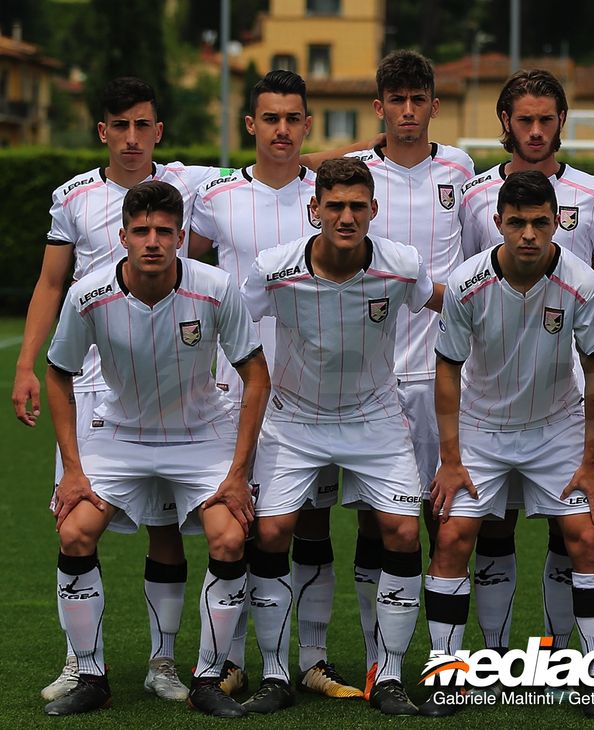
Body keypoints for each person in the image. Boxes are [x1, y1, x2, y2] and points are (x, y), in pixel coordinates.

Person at [12, 76, 222, 704]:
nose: (132, 138)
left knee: (164, 528)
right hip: (94, 389)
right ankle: (83, 663)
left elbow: (273, 164)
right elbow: (51, 285)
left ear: (159, 130)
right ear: (102, 131)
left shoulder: (190, 183)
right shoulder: (73, 197)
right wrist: (28, 365)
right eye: (119, 126)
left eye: (143, 126)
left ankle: (164, 663)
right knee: (75, 525)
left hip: (174, 387)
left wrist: (364, 153)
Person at [43, 180, 269, 717]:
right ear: (122, 235)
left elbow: (255, 376)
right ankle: (91, 676)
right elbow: (57, 375)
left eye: (164, 231)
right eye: (141, 230)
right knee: (74, 531)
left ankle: (209, 678)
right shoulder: (89, 294)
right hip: (119, 435)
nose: (152, 241)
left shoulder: (214, 288)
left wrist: (237, 473)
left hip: (199, 437)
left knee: (230, 538)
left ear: (181, 236)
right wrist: (72, 470)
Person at [238, 157, 443, 715]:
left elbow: (442, 303)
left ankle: (390, 676)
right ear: (315, 209)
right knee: (274, 530)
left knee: (403, 532)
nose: (346, 216)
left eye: (357, 206)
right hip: (295, 419)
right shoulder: (274, 269)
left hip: (376, 417)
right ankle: (279, 672)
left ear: (374, 210)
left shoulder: (402, 266)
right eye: (335, 205)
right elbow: (230, 323)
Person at [187, 69, 363, 702]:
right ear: (250, 125)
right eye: (271, 118)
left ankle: (311, 659)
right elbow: (189, 264)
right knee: (240, 526)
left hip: (313, 392)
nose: (282, 129)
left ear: (308, 126)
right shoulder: (214, 196)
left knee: (310, 525)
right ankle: (230, 660)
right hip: (234, 391)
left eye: (294, 118)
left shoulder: (331, 194)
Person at [422, 170, 594, 717]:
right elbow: (448, 370)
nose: (528, 234)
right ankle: (447, 677)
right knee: (454, 538)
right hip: (482, 431)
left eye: (539, 222)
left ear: (556, 222)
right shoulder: (466, 283)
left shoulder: (582, 283)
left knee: (584, 538)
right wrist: (451, 459)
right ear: (498, 223)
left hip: (556, 427)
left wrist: (591, 460)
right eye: (517, 222)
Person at [457, 67, 594, 663]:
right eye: (523, 119)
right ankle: (494, 655)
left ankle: (560, 655)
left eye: (545, 119)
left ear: (561, 122)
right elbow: (466, 289)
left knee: (569, 528)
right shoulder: (476, 197)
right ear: (505, 122)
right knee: (493, 528)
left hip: (566, 395)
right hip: (492, 391)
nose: (534, 130)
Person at [341, 50, 474, 696]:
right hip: (375, 379)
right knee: (378, 520)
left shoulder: (461, 169)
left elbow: (474, 265)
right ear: (379, 108)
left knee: (443, 519)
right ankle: (378, 656)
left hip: (446, 375)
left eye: (417, 99)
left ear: (432, 106)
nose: (407, 111)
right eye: (395, 100)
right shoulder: (358, 175)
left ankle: (448, 660)